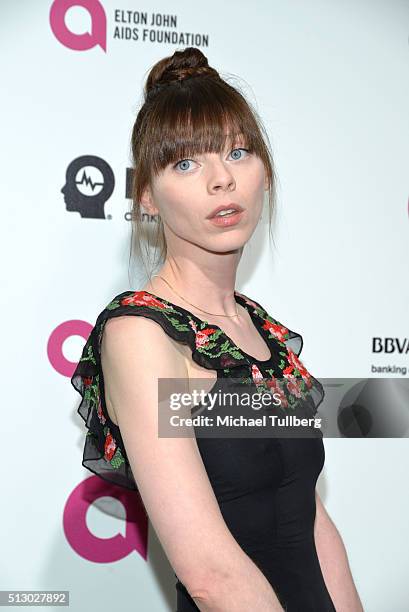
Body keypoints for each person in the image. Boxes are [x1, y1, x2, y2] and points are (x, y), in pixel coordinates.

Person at [71, 47, 364, 611]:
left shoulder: (265, 333)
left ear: (266, 175)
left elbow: (310, 517)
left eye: (238, 152)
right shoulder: (141, 333)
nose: (222, 179)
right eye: (186, 163)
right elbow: (210, 574)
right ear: (147, 199)